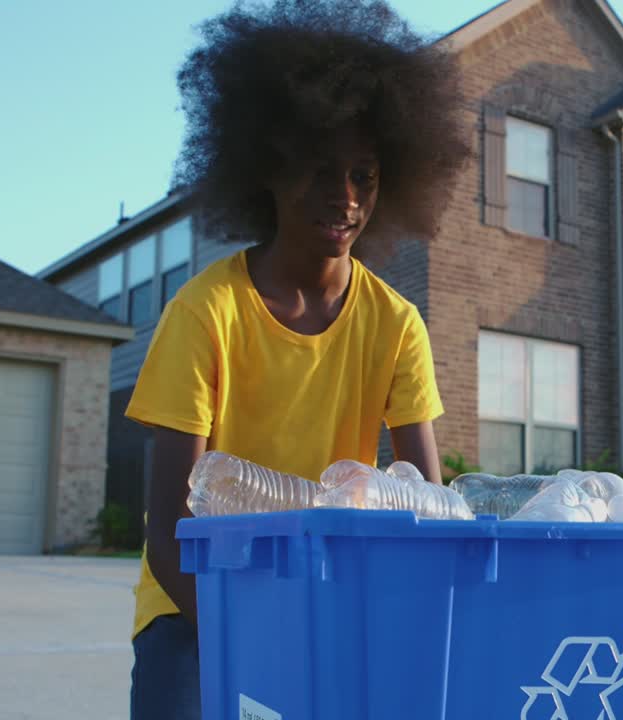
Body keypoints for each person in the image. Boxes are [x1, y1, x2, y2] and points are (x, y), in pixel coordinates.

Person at [124, 2, 470, 717]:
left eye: (364, 176)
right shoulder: (203, 314)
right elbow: (166, 534)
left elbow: (429, 512)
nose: (344, 197)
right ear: (266, 171)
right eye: (319, 171)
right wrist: (261, 643)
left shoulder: (397, 324)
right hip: (198, 601)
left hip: (334, 596)